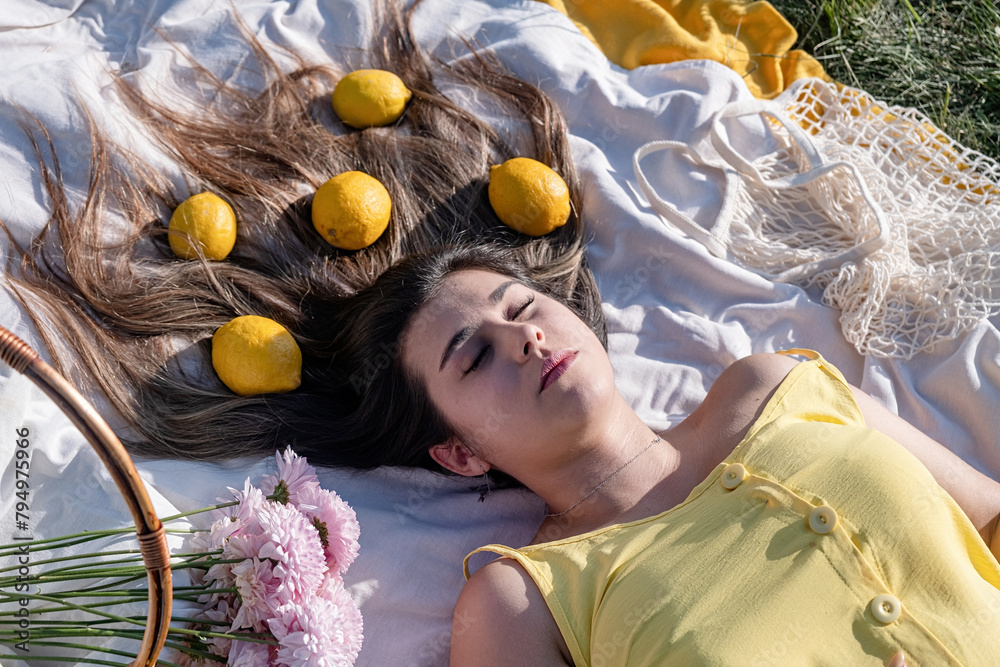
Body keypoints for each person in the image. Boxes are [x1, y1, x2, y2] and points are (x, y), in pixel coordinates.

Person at [3, 1, 999, 665]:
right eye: (472, 353)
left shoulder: (771, 385)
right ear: (455, 448)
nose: (518, 337)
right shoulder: (524, 598)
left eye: (520, 309)